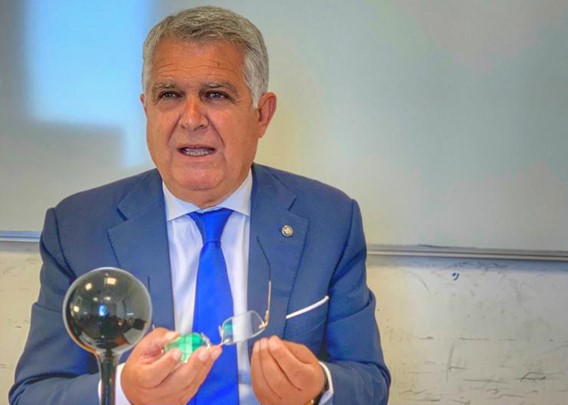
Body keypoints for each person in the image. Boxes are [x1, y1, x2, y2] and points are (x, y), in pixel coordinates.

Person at [10, 6, 390, 405]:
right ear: (147, 109)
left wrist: (319, 386)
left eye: (216, 94)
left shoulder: (330, 220)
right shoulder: (77, 228)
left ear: (262, 115)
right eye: (170, 95)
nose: (191, 119)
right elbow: (34, 393)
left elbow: (369, 380)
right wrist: (123, 391)